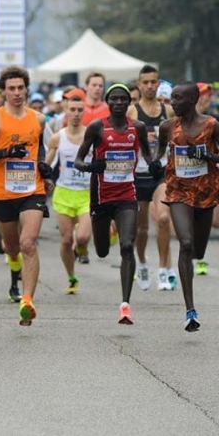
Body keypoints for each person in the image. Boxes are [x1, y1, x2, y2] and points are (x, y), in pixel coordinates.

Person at [75, 83, 155, 325]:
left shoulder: (137, 127)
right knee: (101, 250)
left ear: (129, 103)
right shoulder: (97, 127)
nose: (119, 103)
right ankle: (104, 235)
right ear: (108, 103)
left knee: (127, 246)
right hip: (101, 197)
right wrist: (91, 166)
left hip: (126, 196)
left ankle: (125, 305)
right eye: (114, 99)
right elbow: (78, 161)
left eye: (123, 99)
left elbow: (148, 154)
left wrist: (154, 164)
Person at [0, 66, 52, 325]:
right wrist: (6, 153)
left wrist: (45, 168)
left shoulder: (39, 119)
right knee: (10, 247)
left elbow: (40, 149)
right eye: (11, 88)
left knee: (28, 243)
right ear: (3, 91)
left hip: (32, 190)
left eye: (21, 88)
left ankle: (27, 299)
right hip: (2, 193)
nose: (17, 93)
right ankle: (11, 261)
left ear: (26, 89)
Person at [155, 82, 219, 331]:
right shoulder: (168, 126)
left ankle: (194, 260)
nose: (173, 102)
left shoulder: (212, 125)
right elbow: (158, 153)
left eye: (178, 98)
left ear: (192, 100)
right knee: (186, 243)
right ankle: (190, 310)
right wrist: (153, 164)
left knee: (199, 251)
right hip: (178, 192)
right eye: (172, 98)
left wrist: (208, 157)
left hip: (206, 193)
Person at [127, 65, 174, 291]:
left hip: (161, 174)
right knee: (141, 227)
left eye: (153, 82)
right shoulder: (132, 112)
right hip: (138, 174)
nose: (149, 86)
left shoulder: (168, 111)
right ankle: (143, 263)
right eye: (145, 82)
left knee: (163, 219)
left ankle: (164, 268)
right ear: (139, 84)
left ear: (158, 83)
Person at [45, 89, 92, 294]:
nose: (75, 114)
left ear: (84, 112)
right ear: (66, 111)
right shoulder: (57, 138)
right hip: (64, 193)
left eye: (79, 110)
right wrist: (46, 179)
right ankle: (72, 277)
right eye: (72, 110)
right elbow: (47, 165)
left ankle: (81, 249)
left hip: (86, 194)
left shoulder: (92, 136)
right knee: (66, 240)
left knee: (81, 237)